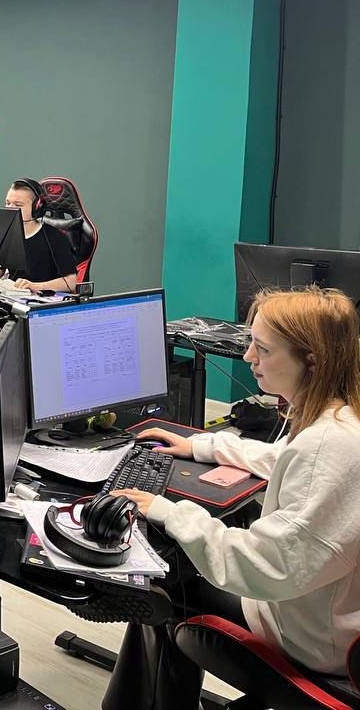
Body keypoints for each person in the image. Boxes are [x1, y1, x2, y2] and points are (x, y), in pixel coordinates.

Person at [104, 287, 360, 710]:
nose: (248, 357)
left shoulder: (325, 447)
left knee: (164, 583)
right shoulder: (340, 419)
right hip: (333, 616)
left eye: (263, 349)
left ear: (311, 360)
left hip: (314, 641)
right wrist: (204, 445)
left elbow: (266, 565)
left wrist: (171, 512)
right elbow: (285, 458)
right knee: (189, 558)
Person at [0, 178, 78, 292]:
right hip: (12, 297)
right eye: (8, 203)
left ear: (37, 207)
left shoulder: (55, 238)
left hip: (41, 299)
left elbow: (70, 282)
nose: (10, 208)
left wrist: (35, 286)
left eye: (18, 204)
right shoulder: (6, 235)